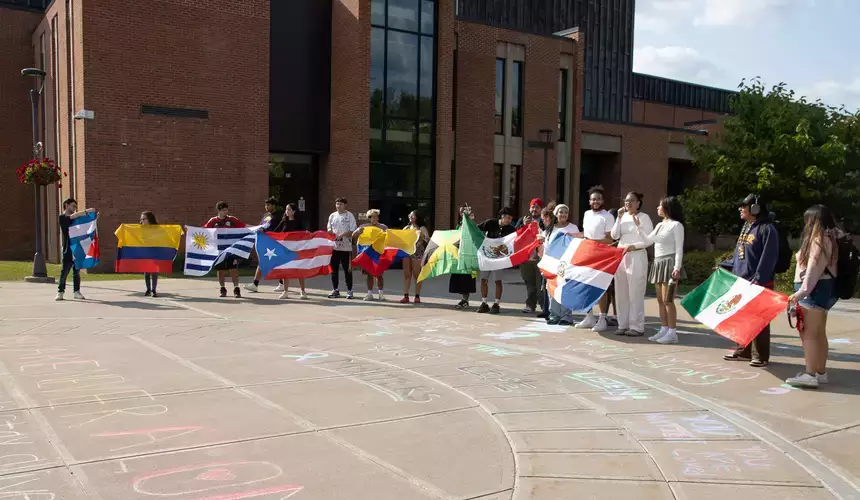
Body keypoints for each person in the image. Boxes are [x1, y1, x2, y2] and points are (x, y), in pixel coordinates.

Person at [719, 194, 780, 367]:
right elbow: (740, 254)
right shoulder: (747, 227)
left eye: (743, 206)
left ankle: (760, 355)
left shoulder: (767, 229)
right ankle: (743, 350)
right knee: (742, 317)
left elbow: (769, 257)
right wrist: (726, 266)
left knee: (759, 319)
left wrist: (759, 277)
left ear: (755, 208)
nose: (740, 209)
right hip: (742, 280)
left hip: (758, 282)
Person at [786, 205, 839, 388]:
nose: (806, 223)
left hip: (813, 291)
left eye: (808, 219)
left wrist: (801, 292)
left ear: (814, 221)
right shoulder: (831, 237)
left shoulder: (818, 241)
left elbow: (812, 269)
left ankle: (810, 374)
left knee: (808, 333)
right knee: (818, 333)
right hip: (824, 289)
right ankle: (820, 372)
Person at [629, 197, 686, 344]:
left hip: (670, 262)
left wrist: (677, 267)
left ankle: (673, 332)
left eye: (660, 206)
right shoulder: (660, 225)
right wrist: (638, 227)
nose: (657, 208)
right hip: (658, 262)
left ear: (667, 208)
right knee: (660, 300)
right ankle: (664, 329)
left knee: (668, 300)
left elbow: (679, 248)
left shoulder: (677, 225)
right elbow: (648, 240)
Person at [611, 191, 654, 337]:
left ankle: (636, 326)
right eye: (626, 201)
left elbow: (648, 240)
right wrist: (618, 218)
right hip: (621, 256)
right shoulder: (622, 217)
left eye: (631, 201)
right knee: (621, 291)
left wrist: (634, 245)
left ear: (638, 203)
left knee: (635, 292)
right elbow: (614, 235)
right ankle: (622, 324)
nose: (627, 203)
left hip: (637, 255)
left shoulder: (644, 218)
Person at [576, 186, 616, 331]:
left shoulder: (608, 216)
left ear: (602, 200)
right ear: (589, 201)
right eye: (593, 199)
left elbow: (610, 239)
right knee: (586, 285)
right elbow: (586, 234)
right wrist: (572, 237)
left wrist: (593, 242)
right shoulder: (586, 214)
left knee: (601, 287)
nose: (596, 201)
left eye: (598, 199)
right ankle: (589, 317)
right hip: (587, 254)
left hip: (601, 256)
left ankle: (602, 318)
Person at [544, 204, 580, 325]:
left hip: (568, 265)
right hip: (552, 264)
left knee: (566, 289)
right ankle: (554, 315)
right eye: (560, 212)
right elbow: (546, 248)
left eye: (565, 212)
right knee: (553, 288)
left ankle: (566, 316)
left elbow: (578, 245)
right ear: (556, 213)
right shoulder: (550, 229)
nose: (563, 214)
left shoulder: (573, 228)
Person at [55, 198, 97, 301]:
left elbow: (84, 226)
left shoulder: (76, 219)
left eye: (75, 207)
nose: (74, 208)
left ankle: (76, 292)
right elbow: (73, 216)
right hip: (68, 248)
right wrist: (87, 211)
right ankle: (60, 292)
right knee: (64, 271)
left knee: (76, 271)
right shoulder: (62, 218)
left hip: (77, 248)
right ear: (67, 205)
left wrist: (92, 218)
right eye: (73, 206)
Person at [477, 207, 516, 314]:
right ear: (502, 216)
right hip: (486, 255)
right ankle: (484, 303)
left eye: (511, 219)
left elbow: (518, 237)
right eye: (507, 218)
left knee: (497, 280)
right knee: (483, 279)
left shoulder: (511, 229)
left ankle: (496, 303)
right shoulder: (490, 223)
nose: (509, 220)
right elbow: (476, 229)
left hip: (499, 258)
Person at [203, 201, 246, 298]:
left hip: (231, 250)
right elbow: (203, 231)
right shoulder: (213, 221)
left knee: (233, 269)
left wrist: (257, 228)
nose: (225, 212)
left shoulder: (232, 219)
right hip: (219, 250)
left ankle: (236, 288)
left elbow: (244, 227)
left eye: (226, 210)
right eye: (223, 210)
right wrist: (191, 230)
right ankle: (222, 288)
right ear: (219, 210)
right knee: (220, 270)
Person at [246, 197, 283, 293]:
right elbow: (261, 225)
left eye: (269, 205)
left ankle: (256, 284)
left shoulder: (278, 216)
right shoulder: (266, 215)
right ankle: (281, 283)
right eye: (266, 205)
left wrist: (265, 231)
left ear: (274, 206)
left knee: (270, 262)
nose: (266, 207)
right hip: (264, 241)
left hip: (273, 242)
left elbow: (276, 229)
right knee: (266, 262)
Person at [272, 203, 308, 300]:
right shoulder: (284, 221)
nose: (286, 211)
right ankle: (285, 291)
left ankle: (303, 291)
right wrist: (265, 233)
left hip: (297, 250)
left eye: (289, 210)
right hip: (285, 250)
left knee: (299, 270)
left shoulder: (299, 222)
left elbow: (304, 233)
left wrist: (307, 233)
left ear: (294, 211)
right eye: (286, 209)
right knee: (285, 270)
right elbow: (275, 232)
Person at [515, 198, 545, 314]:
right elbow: (515, 235)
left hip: (540, 256)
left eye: (537, 207)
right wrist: (523, 225)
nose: (534, 209)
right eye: (533, 207)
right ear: (529, 208)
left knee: (541, 284)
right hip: (526, 257)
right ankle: (530, 305)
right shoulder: (523, 220)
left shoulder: (544, 220)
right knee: (529, 283)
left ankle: (544, 306)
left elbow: (548, 232)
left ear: (541, 209)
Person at [354, 209, 388, 301]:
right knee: (369, 274)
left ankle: (381, 294)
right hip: (368, 253)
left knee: (379, 274)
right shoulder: (363, 227)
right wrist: (357, 232)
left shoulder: (383, 227)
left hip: (379, 253)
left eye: (376, 217)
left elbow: (389, 239)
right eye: (373, 217)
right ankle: (369, 294)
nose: (375, 219)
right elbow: (354, 237)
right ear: (369, 218)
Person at [327, 197, 358, 299]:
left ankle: (349, 291)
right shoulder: (332, 215)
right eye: (337, 204)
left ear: (345, 205)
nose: (338, 206)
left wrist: (342, 235)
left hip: (346, 248)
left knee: (347, 270)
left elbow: (352, 230)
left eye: (340, 204)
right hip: (334, 247)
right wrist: (331, 232)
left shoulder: (349, 216)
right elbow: (329, 228)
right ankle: (335, 290)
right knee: (334, 270)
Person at [400, 210, 430, 304]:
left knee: (417, 275)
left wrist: (422, 235)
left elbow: (428, 240)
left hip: (417, 253)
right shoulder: (407, 228)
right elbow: (400, 238)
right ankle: (406, 296)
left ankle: (417, 296)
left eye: (412, 216)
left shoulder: (422, 228)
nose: (410, 217)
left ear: (417, 217)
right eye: (410, 215)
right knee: (407, 274)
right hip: (407, 253)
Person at [451, 204, 477, 309]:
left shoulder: (471, 224)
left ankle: (465, 300)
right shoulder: (459, 225)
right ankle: (463, 299)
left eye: (464, 211)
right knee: (461, 278)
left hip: (468, 254)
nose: (462, 213)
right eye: (461, 212)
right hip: (460, 254)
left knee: (467, 278)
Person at [536, 203, 557, 319]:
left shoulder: (556, 231)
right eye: (543, 219)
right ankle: (546, 309)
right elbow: (540, 251)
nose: (544, 221)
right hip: (545, 263)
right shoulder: (545, 232)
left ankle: (552, 311)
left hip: (555, 263)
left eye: (545, 218)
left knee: (552, 287)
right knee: (545, 286)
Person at [140, 211, 161, 298]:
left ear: (149, 219)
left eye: (144, 219)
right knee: (146, 271)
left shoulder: (157, 229)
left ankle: (153, 290)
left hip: (155, 251)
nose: (142, 221)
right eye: (141, 219)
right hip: (146, 251)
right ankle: (148, 289)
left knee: (154, 271)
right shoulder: (140, 229)